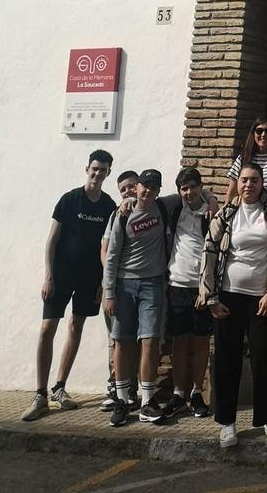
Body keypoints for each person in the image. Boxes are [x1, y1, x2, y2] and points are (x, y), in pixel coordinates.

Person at [199, 161, 267, 450]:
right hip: (228, 296)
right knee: (227, 359)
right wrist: (210, 297)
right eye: (244, 180)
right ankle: (227, 422)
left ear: (262, 183)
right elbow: (209, 252)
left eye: (254, 180)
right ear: (237, 183)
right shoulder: (226, 214)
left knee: (263, 356)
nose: (249, 185)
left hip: (261, 297)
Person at [21, 151, 116, 422]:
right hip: (60, 276)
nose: (98, 173)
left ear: (108, 173)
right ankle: (39, 394)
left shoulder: (109, 205)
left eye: (103, 170)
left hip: (90, 278)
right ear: (87, 169)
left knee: (76, 327)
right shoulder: (69, 199)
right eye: (94, 168)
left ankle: (59, 388)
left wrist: (103, 283)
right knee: (46, 328)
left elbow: (107, 246)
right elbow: (52, 239)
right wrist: (48, 275)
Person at [102, 169, 170, 427]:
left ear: (158, 191)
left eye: (154, 187)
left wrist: (209, 198)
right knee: (122, 341)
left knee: (150, 341)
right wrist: (109, 293)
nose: (148, 191)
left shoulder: (162, 208)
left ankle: (147, 402)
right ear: (137, 186)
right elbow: (111, 256)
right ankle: (121, 400)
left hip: (153, 284)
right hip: (123, 284)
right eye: (145, 186)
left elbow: (196, 192)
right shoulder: (121, 214)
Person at [161, 167, 217, 417]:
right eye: (184, 188)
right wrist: (128, 201)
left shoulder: (212, 213)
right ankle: (178, 393)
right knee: (179, 341)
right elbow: (149, 199)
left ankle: (196, 392)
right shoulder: (175, 209)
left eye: (193, 187)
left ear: (200, 187)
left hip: (201, 286)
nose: (189, 192)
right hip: (176, 283)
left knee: (201, 341)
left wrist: (211, 198)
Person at [99, 170, 139, 412]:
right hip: (117, 286)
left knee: (139, 339)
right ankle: (115, 387)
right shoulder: (117, 214)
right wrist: (110, 281)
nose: (127, 192)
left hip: (144, 285)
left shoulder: (152, 209)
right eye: (122, 189)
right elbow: (105, 250)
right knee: (116, 338)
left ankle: (132, 389)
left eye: (131, 186)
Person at [226, 117, 267, 208]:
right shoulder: (243, 158)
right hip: (245, 213)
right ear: (253, 133)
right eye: (259, 131)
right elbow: (232, 192)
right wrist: (225, 215)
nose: (263, 134)